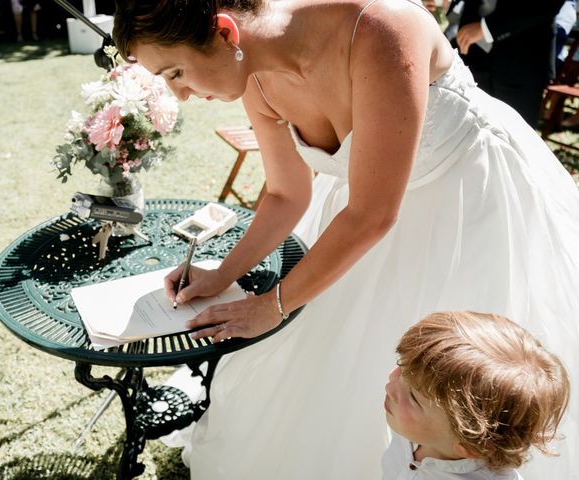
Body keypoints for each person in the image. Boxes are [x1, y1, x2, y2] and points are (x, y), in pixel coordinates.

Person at [112, 0, 579, 478]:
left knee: (459, 380)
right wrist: (223, 274)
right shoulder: (254, 77)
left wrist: (271, 305)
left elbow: (373, 213)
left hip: (474, 200)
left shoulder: (381, 28)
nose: (181, 94)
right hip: (359, 219)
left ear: (227, 34)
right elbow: (284, 193)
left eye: (175, 73)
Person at [384, 311, 570, 479]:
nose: (390, 386)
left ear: (469, 447)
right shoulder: (416, 428)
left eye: (414, 398)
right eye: (401, 367)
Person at [444, 0, 565, 127]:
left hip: (522, 58)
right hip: (472, 52)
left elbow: (548, 4)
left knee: (515, 134)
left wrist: (487, 28)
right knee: (469, 130)